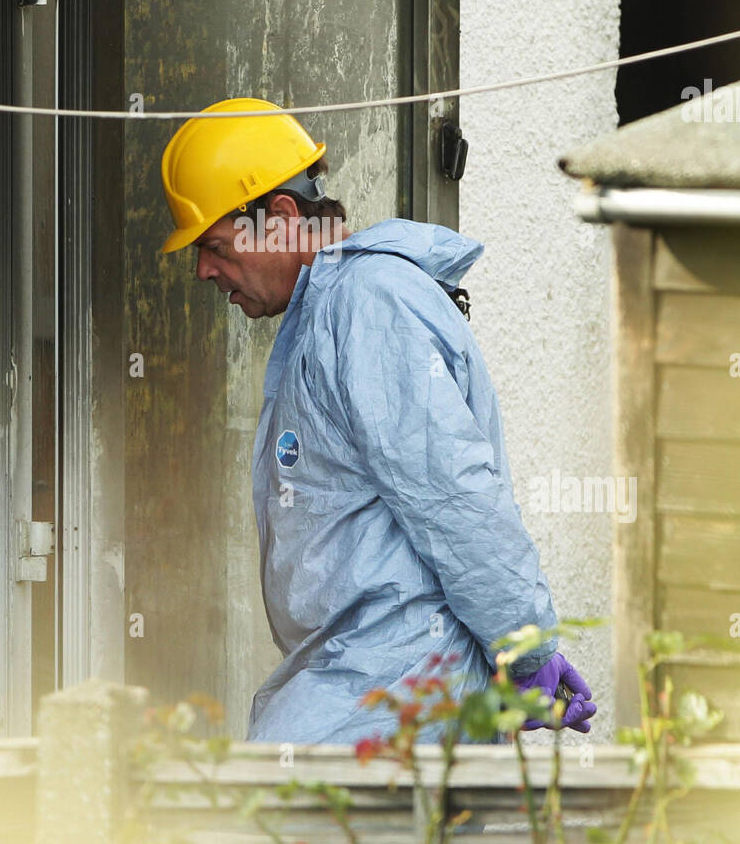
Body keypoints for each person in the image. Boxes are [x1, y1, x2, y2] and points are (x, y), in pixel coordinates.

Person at [159, 97, 596, 744]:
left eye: (216, 245)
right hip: (372, 683)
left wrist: (527, 653)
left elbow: (456, 498)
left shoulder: (366, 305)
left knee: (257, 832)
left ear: (279, 219)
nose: (203, 269)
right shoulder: (333, 310)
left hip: (393, 691)